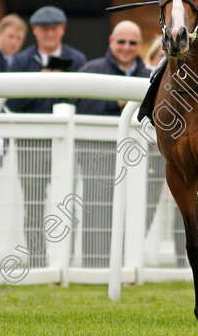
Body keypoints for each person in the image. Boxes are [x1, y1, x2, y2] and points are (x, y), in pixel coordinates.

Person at [6, 6, 87, 267]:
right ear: (35, 31)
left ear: (62, 29)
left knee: (68, 200)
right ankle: (38, 259)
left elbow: (83, 100)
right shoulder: (21, 61)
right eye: (44, 29)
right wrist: (39, 84)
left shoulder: (77, 59)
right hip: (32, 141)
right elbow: (12, 102)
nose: (49, 33)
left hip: (67, 140)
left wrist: (61, 86)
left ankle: (65, 259)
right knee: (34, 203)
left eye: (54, 28)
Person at [68, 21, 150, 267]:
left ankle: (127, 263)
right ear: (111, 42)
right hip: (96, 151)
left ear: (140, 45)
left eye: (132, 43)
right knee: (96, 207)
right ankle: (95, 264)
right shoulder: (90, 70)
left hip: (137, 154)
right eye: (121, 42)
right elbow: (78, 106)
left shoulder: (150, 75)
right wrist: (117, 104)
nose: (126, 47)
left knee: (134, 206)